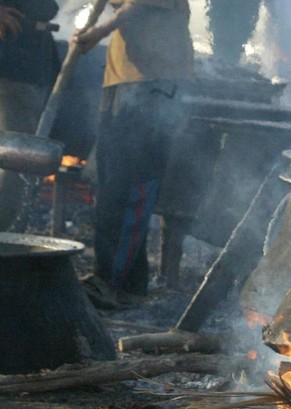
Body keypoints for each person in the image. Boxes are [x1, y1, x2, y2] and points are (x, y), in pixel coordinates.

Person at [73, 0, 193, 309]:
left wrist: (97, 31)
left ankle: (108, 281)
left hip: (153, 84)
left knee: (128, 188)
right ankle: (130, 284)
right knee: (112, 184)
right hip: (124, 81)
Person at [0, 0, 59, 230]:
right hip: (11, 66)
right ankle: (6, 242)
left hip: (31, 62)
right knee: (16, 161)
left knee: (18, 162)